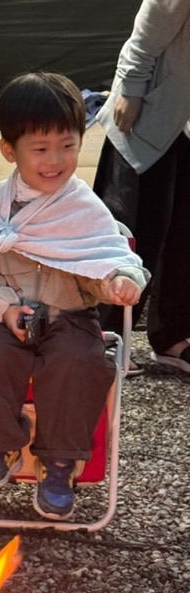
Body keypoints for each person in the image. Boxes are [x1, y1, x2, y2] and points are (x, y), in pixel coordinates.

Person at [0, 72, 149, 521]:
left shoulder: (85, 208)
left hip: (70, 315)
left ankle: (59, 464)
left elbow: (107, 259)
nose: (55, 160)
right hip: (6, 316)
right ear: (9, 150)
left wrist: (115, 281)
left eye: (67, 146)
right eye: (40, 149)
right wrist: (3, 308)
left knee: (80, 361)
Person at [94, 0, 190, 373]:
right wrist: (131, 88)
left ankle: (171, 337)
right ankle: (105, 336)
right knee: (132, 232)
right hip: (146, 117)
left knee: (183, 237)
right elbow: (146, 32)